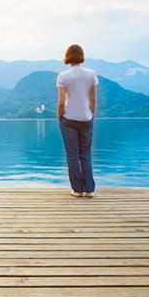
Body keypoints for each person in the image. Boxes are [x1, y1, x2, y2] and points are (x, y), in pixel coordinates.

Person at [56, 44, 98, 198]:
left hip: (68, 119)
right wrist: (91, 114)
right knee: (85, 155)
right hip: (86, 118)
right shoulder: (91, 74)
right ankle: (89, 189)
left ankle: (77, 190)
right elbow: (93, 98)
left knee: (72, 155)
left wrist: (59, 115)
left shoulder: (63, 76)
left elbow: (61, 102)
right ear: (81, 56)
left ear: (67, 56)